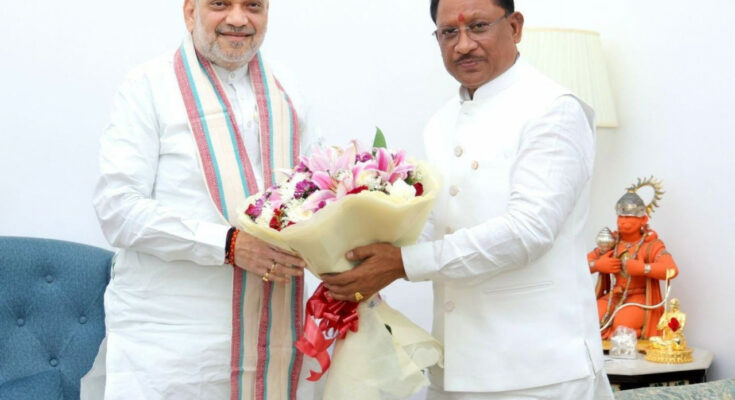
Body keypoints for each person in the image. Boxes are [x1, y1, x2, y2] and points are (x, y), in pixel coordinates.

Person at [321, 0, 613, 398]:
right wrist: (354, 256)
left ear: (515, 27)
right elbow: (435, 223)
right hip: (453, 369)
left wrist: (402, 263)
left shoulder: (553, 109)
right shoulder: (441, 122)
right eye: (449, 32)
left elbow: (529, 232)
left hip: (540, 371)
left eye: (478, 26)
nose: (463, 45)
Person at [85, 1, 321, 398]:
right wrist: (228, 245)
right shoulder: (148, 85)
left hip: (275, 333)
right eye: (220, 4)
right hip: (171, 341)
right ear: (190, 11)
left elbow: (317, 192)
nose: (238, 19)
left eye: (253, 6)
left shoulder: (288, 89)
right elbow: (118, 210)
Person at [588, 181, 679, 340]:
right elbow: (581, 265)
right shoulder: (612, 241)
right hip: (614, 296)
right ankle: (611, 336)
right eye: (620, 216)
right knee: (588, 319)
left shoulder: (651, 245)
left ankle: (633, 336)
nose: (623, 221)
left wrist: (643, 269)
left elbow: (671, 270)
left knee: (622, 327)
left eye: (629, 217)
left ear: (643, 219)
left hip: (638, 297)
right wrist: (598, 265)